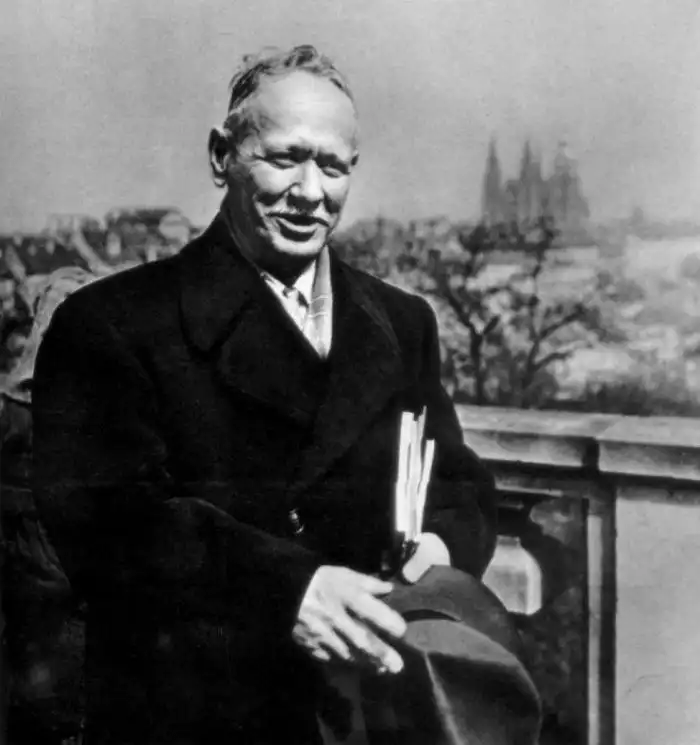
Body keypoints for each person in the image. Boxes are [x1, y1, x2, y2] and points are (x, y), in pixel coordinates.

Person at [31, 45, 537, 745]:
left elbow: (454, 480)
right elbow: (107, 521)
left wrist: (439, 543)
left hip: (371, 715)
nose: (310, 191)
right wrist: (288, 589)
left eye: (333, 166)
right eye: (285, 158)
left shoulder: (402, 322)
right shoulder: (109, 323)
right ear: (221, 156)